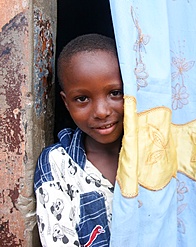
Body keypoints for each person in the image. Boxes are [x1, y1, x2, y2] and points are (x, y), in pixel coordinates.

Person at [34, 33, 124, 247]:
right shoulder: (58, 164)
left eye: (115, 93)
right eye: (82, 99)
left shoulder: (156, 151)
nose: (101, 112)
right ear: (66, 103)